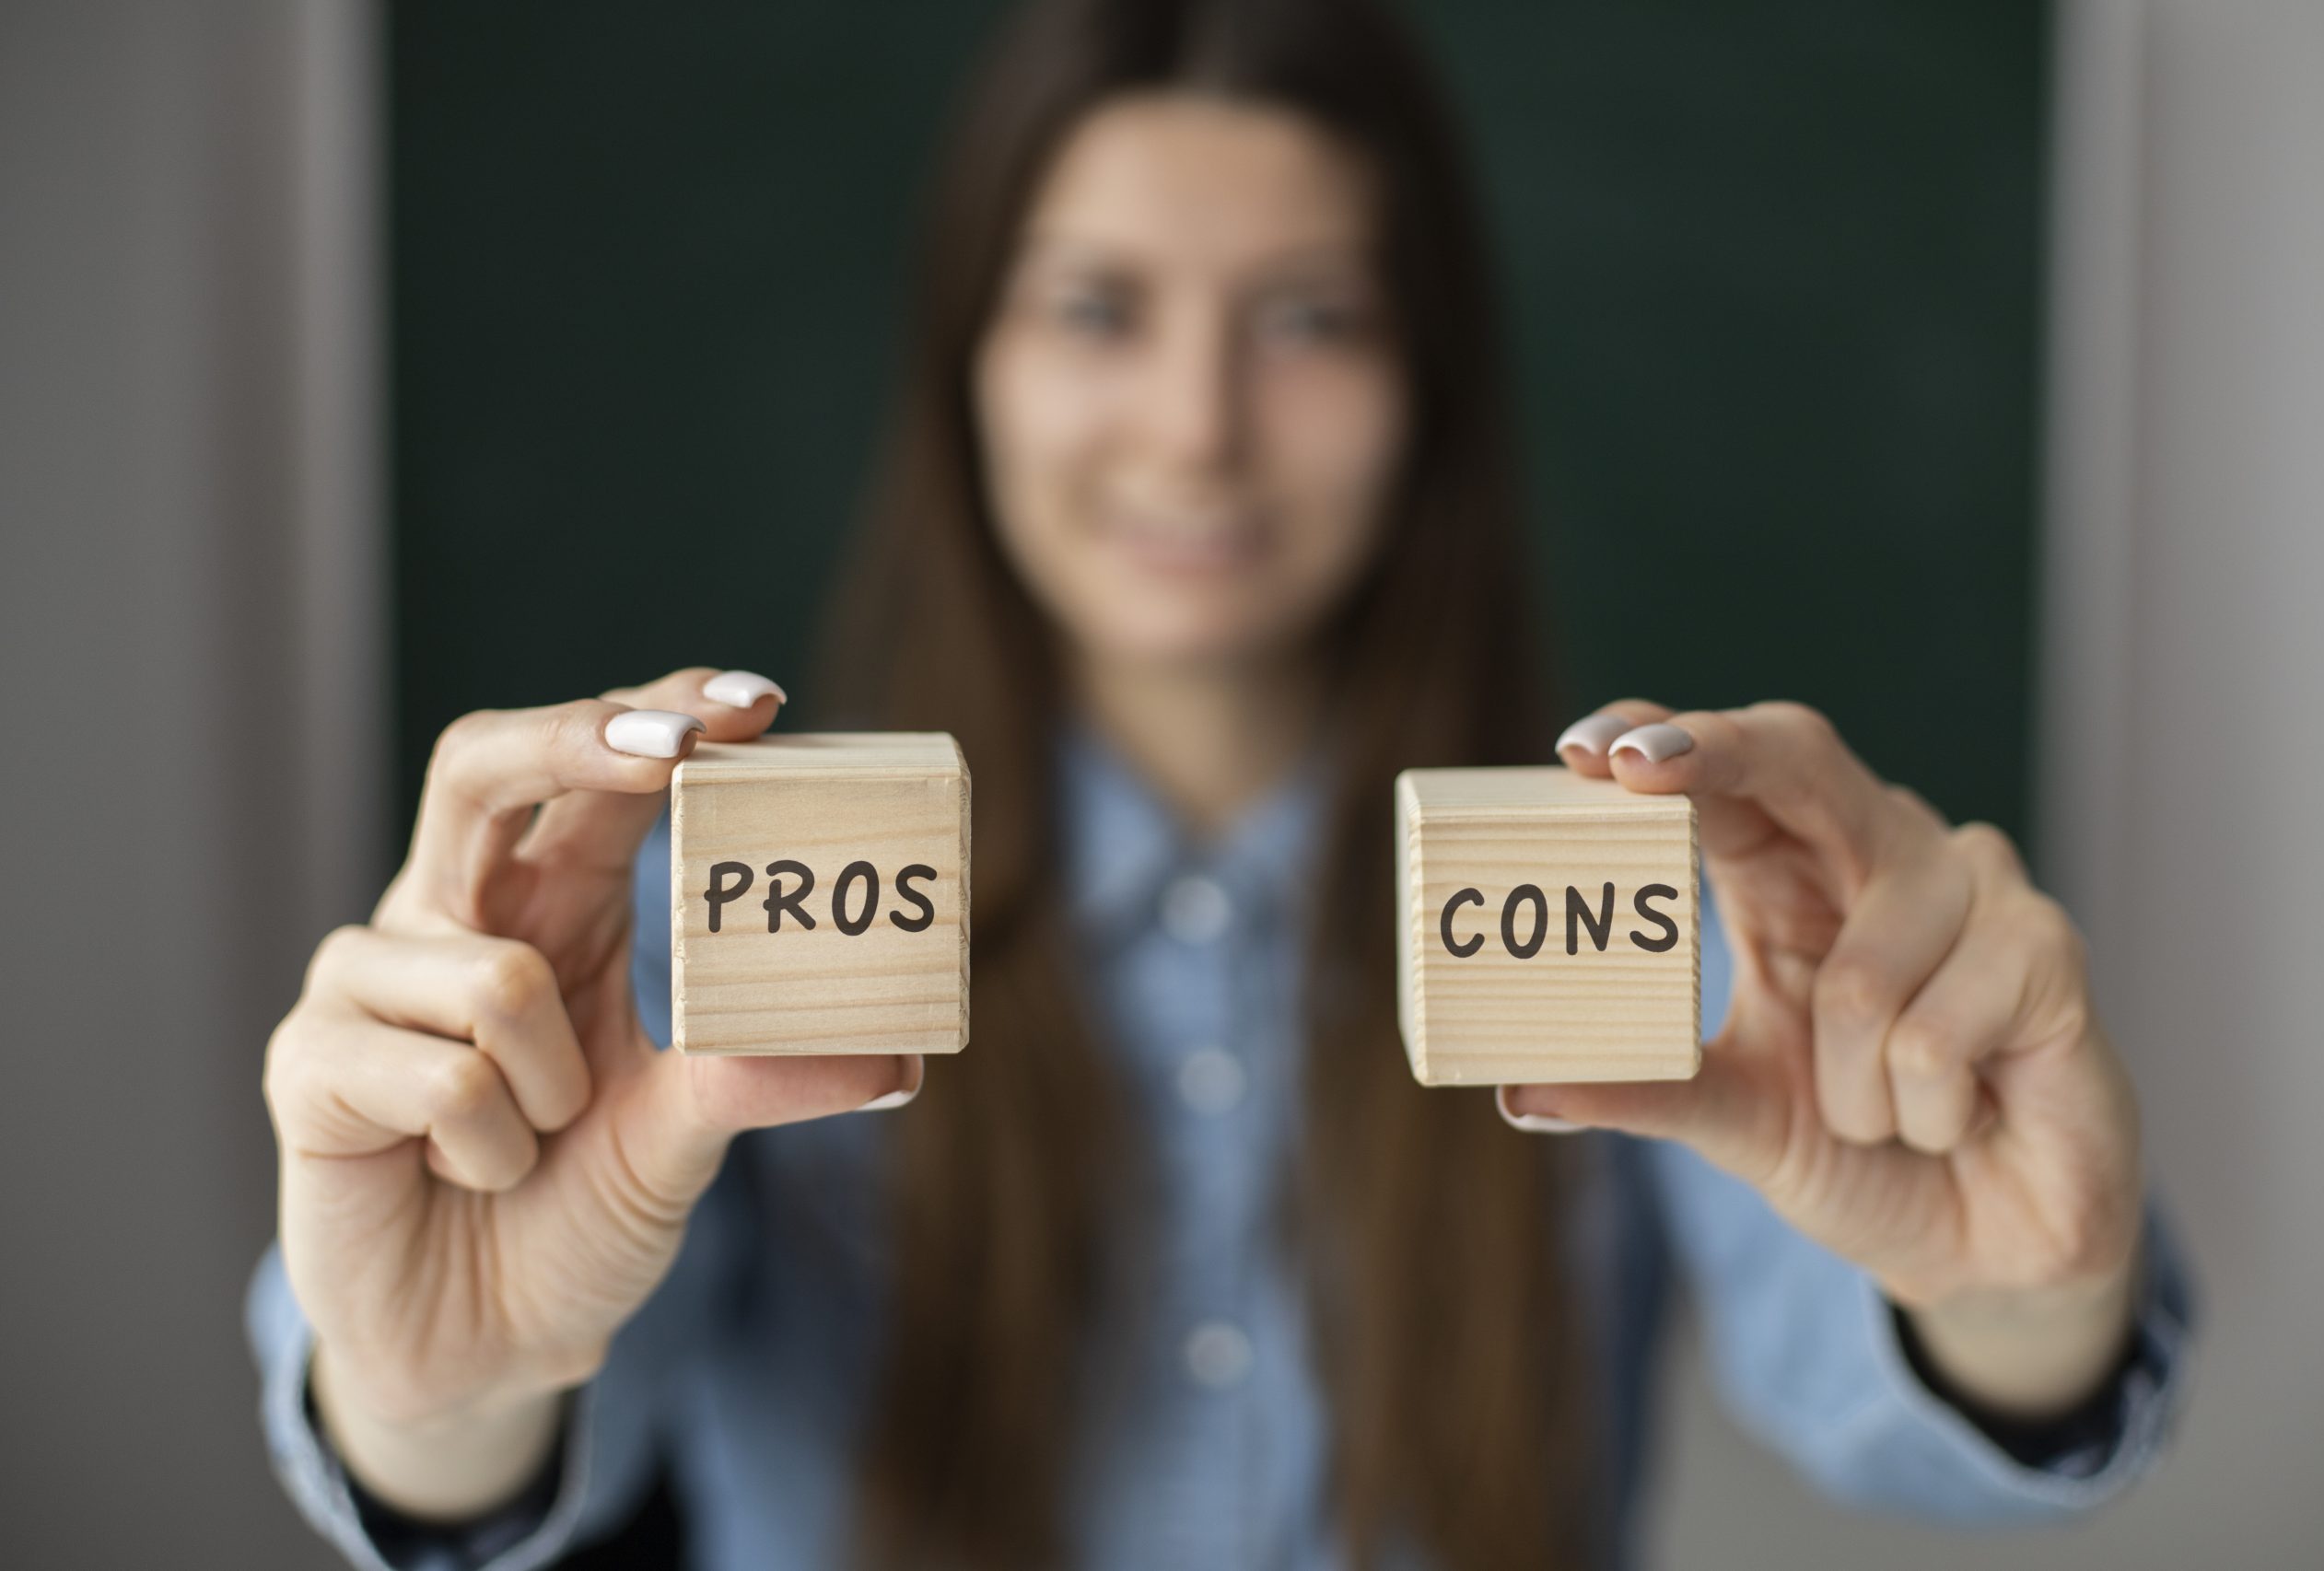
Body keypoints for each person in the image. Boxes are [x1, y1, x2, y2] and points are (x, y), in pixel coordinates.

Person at [245, 0, 2194, 1566]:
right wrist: (428, 1409)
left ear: (1428, 381)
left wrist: (2025, 1310)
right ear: (966, 367)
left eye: (1308, 317)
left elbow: (1923, 1393)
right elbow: (505, 1425)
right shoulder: (671, 927)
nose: (1192, 428)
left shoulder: (1671, 912)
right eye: (1094, 306)